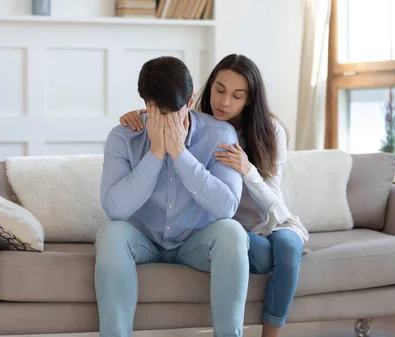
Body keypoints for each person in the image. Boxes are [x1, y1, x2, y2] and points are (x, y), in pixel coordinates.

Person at [119, 54, 309, 337]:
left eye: (237, 95)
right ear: (208, 89)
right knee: (249, 246)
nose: (225, 102)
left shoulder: (271, 132)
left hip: (272, 222)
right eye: (219, 90)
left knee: (287, 247)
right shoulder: (196, 125)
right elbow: (168, 114)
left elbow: (273, 204)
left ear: (250, 99)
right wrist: (144, 114)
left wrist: (247, 170)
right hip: (232, 230)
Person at [97, 55, 250, 337]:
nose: (166, 122)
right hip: (144, 240)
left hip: (195, 241)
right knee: (110, 233)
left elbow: (226, 206)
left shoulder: (221, 134)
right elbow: (115, 210)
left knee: (233, 232)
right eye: (158, 112)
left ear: (190, 102)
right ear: (146, 105)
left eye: (174, 112)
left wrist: (180, 153)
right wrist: (156, 152)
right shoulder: (123, 136)